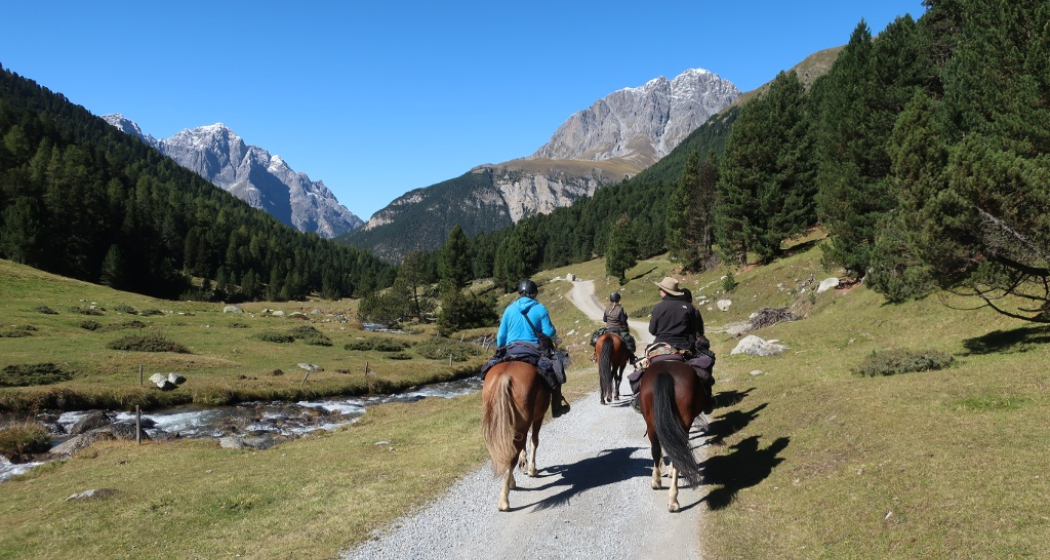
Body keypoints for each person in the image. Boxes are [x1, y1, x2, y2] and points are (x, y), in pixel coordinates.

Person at [492, 279, 570, 417]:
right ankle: (557, 407)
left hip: (510, 349)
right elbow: (549, 332)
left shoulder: (509, 309)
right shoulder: (540, 309)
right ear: (534, 293)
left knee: (491, 368)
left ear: (519, 293)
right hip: (534, 348)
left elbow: (501, 337)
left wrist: (501, 351)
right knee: (555, 367)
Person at [598, 292, 637, 363]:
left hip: (608, 330)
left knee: (598, 337)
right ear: (618, 300)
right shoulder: (620, 309)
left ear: (610, 299)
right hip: (618, 330)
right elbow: (623, 321)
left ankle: (595, 354)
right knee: (629, 340)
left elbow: (604, 319)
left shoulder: (607, 308)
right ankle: (631, 358)